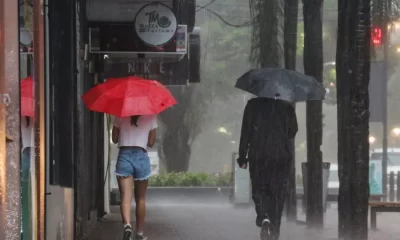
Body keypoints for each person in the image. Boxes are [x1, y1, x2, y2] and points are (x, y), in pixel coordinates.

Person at [237, 97, 298, 240]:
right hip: (281, 157)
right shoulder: (286, 107)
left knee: (259, 189)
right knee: (278, 193)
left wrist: (242, 157)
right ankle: (275, 228)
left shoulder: (252, 105)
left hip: (259, 156)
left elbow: (245, 132)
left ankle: (264, 216)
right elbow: (293, 131)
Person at [112, 114, 158, 240]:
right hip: (141, 156)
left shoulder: (120, 115)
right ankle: (140, 233)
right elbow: (151, 142)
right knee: (141, 199)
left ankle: (127, 225)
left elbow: (114, 139)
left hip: (124, 156)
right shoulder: (151, 116)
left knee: (125, 197)